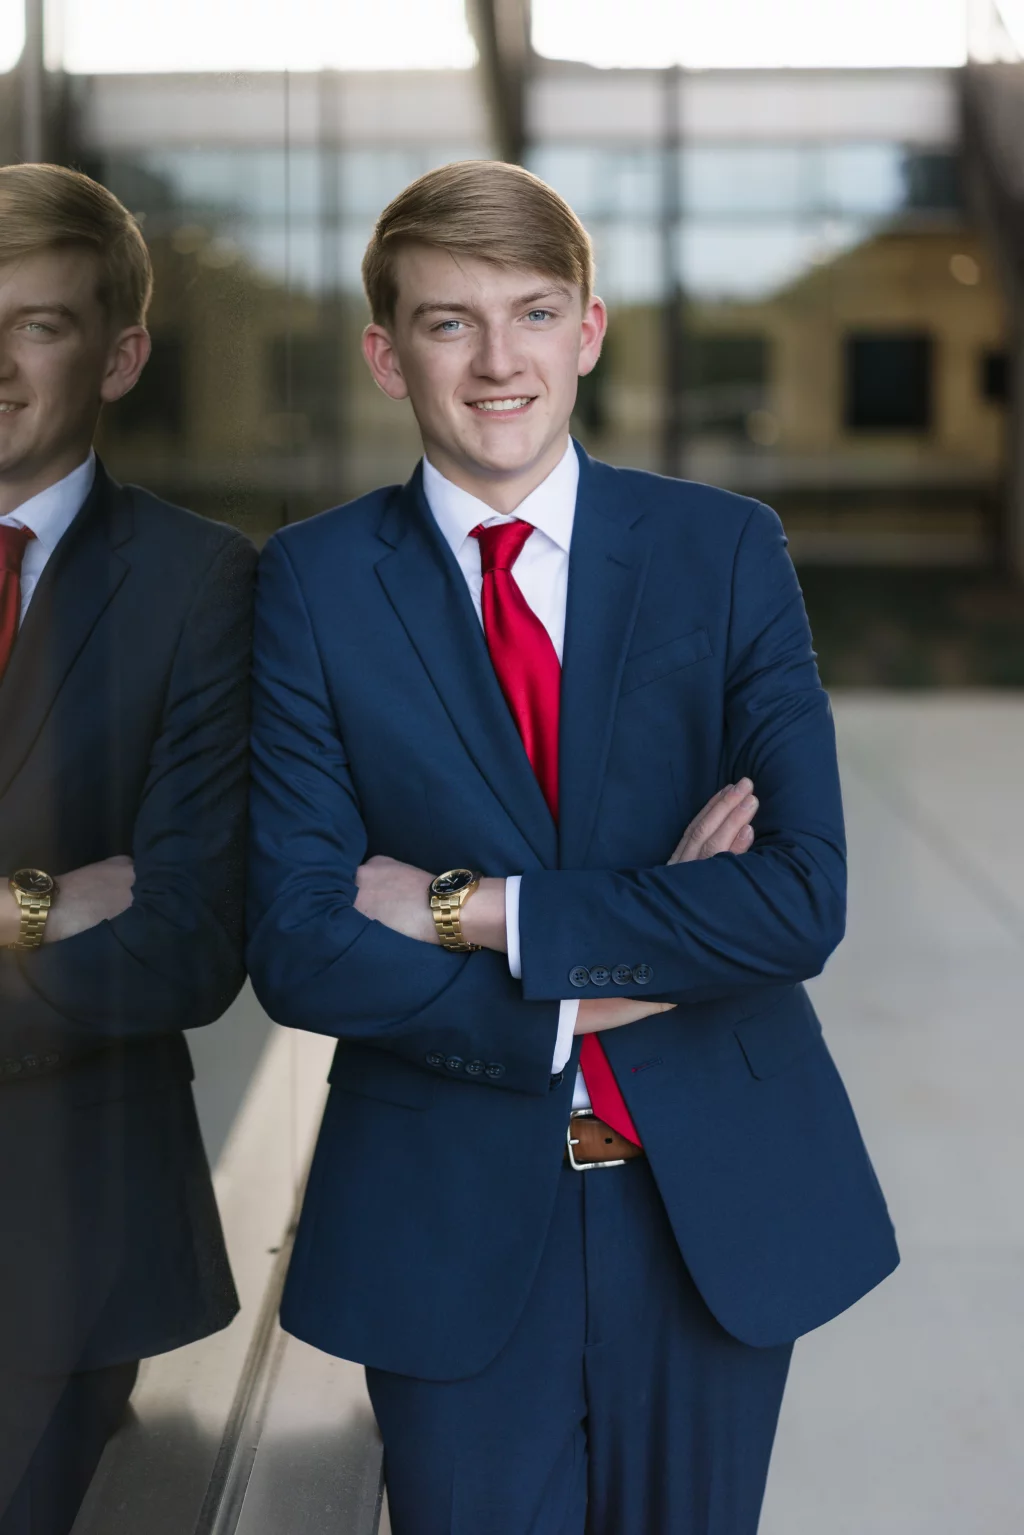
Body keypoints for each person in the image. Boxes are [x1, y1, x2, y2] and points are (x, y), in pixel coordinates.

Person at [247, 159, 899, 1535]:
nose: (499, 362)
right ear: (385, 353)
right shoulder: (309, 585)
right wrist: (643, 948)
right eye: (449, 321)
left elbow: (799, 900)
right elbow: (300, 944)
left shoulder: (722, 552)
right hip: (446, 1219)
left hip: (712, 1203)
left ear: (589, 331)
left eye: (534, 313)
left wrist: (468, 909)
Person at [0, 164, 253, 1535]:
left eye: (34, 324)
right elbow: (110, 908)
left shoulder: (196, 583)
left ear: (119, 354)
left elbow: (190, 934)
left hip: (62, 1234)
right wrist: (39, 901)